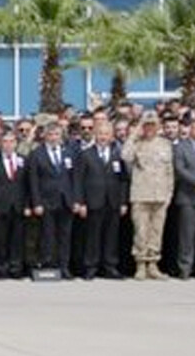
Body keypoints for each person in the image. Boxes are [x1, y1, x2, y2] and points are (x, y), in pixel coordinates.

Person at [121, 111, 174, 280]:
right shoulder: (137, 144)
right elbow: (125, 156)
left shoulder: (165, 145)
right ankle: (140, 264)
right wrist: (134, 134)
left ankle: (153, 264)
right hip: (141, 195)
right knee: (141, 232)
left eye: (153, 125)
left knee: (156, 232)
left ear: (158, 127)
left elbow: (169, 172)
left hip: (160, 195)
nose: (150, 128)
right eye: (147, 125)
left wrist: (169, 194)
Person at [73, 121, 128, 279]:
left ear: (111, 136)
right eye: (100, 133)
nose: (103, 137)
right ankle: (91, 266)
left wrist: (123, 202)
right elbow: (78, 180)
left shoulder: (118, 154)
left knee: (111, 236)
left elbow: (123, 180)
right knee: (92, 236)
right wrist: (81, 202)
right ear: (95, 135)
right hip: (93, 201)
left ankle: (110, 266)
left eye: (106, 134)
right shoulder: (85, 154)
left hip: (113, 201)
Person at [27, 123, 76, 278]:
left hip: (66, 200)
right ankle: (48, 264)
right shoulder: (36, 154)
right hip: (46, 200)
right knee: (47, 235)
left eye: (57, 134)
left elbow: (75, 178)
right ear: (45, 136)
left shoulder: (69, 152)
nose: (54, 137)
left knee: (65, 236)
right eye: (51, 134)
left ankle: (64, 266)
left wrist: (76, 200)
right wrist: (37, 203)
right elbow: (33, 181)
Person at [0, 131, 30, 279]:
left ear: (16, 144)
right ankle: (1, 268)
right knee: (0, 239)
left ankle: (16, 268)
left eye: (11, 141)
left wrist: (27, 205)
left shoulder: (23, 160)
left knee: (17, 239)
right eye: (5, 141)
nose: (8, 145)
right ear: (0, 143)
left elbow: (28, 184)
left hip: (18, 205)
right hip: (0, 205)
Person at [172, 116, 195, 279]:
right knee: (186, 235)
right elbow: (179, 169)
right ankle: (185, 268)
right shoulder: (181, 147)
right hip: (187, 196)